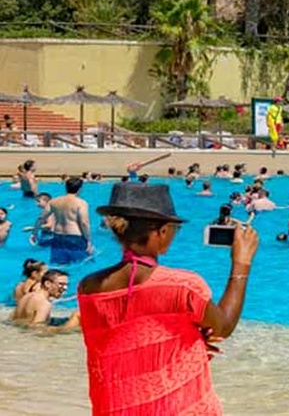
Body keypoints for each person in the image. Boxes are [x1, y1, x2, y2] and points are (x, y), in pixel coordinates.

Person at [77, 182, 259, 415]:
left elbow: (125, 342)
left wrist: (188, 337)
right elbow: (223, 327)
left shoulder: (88, 288)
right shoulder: (184, 286)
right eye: (174, 228)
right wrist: (241, 263)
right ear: (161, 231)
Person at [44, 176, 93, 265]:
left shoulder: (54, 201)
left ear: (66, 187)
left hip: (58, 236)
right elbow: (84, 223)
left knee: (60, 267)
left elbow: (41, 218)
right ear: (80, 189)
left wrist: (34, 233)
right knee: (82, 264)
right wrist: (89, 240)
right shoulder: (81, 203)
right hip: (75, 237)